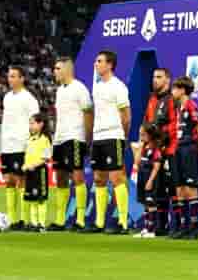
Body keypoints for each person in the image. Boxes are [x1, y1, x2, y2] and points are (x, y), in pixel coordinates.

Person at [88, 50, 131, 234]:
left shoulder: (118, 87)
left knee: (117, 178)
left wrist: (123, 136)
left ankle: (123, 222)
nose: (96, 64)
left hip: (113, 136)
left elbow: (126, 116)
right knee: (98, 178)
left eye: (99, 61)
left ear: (110, 65)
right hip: (98, 137)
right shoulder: (97, 87)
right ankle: (99, 223)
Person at [52, 56, 93, 231]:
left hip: (75, 137)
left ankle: (81, 219)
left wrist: (87, 139)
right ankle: (60, 220)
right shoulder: (59, 90)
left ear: (67, 70)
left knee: (77, 177)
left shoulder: (80, 89)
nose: (55, 71)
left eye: (58, 68)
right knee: (60, 178)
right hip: (60, 138)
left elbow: (88, 114)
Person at [1, 66, 41, 229]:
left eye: (13, 76)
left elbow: (35, 123)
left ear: (22, 78)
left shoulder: (29, 99)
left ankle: (24, 220)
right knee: (9, 180)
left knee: (21, 180)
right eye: (9, 76)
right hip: (7, 145)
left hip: (21, 144)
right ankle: (11, 219)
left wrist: (32, 144)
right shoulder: (6, 97)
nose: (10, 79)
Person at [169, 76, 198, 240]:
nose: (172, 91)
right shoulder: (178, 107)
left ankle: (195, 228)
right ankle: (184, 227)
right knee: (180, 189)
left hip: (189, 149)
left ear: (182, 90)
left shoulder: (191, 105)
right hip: (178, 149)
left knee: (191, 188)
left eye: (175, 88)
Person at [143, 67, 176, 237]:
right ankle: (156, 226)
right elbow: (147, 124)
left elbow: (173, 124)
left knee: (165, 189)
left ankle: (165, 225)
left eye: (159, 77)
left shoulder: (171, 100)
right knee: (154, 189)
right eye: (154, 77)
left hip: (166, 150)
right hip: (152, 151)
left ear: (167, 80)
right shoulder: (151, 99)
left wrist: (163, 143)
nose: (155, 80)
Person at [22, 113, 53, 232]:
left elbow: (45, 158)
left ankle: (41, 223)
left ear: (41, 124)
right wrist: (25, 165)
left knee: (41, 198)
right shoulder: (30, 139)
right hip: (29, 172)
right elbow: (27, 155)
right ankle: (33, 223)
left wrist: (32, 165)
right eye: (30, 123)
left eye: (33, 123)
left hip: (39, 172)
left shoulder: (45, 139)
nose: (30, 126)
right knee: (31, 199)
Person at [134, 123, 165, 239]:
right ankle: (146, 228)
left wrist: (150, 181)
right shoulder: (144, 148)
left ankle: (152, 230)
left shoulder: (156, 149)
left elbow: (157, 167)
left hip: (150, 178)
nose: (141, 135)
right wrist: (140, 146)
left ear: (150, 135)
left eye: (143, 133)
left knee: (151, 203)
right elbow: (137, 162)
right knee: (145, 204)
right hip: (142, 177)